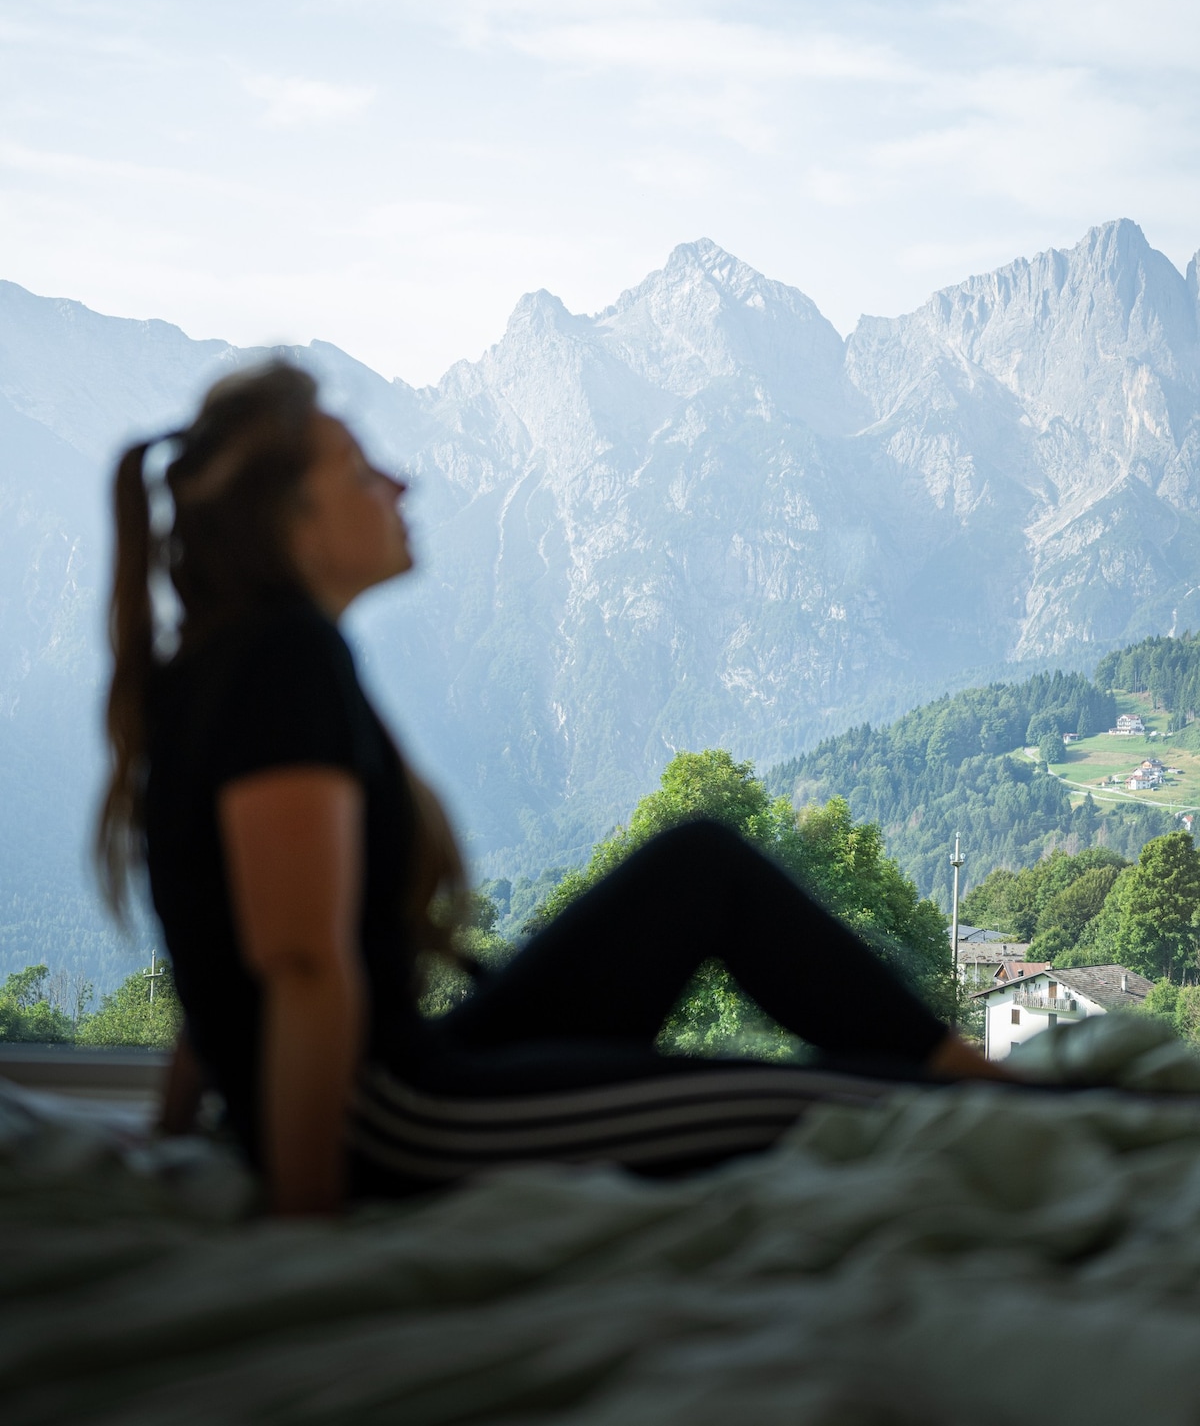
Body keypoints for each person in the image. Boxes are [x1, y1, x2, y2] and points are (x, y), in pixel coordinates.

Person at [98, 362, 997, 1216]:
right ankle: (993, 1098)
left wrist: (175, 1133)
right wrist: (303, 1223)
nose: (399, 483)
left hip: (396, 1085)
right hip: (395, 1121)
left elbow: (228, 951)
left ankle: (968, 1071)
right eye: (360, 469)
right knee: (867, 1107)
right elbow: (297, 963)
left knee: (699, 864)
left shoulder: (236, 660)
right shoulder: (280, 661)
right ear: (292, 518)